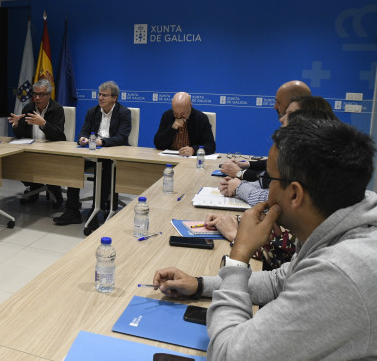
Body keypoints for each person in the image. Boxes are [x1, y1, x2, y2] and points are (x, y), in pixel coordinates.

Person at [154, 119, 377, 359]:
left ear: (294, 194)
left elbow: (227, 355)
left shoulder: (338, 271)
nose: (266, 191)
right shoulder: (341, 222)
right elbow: (279, 281)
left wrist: (239, 256)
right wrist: (200, 285)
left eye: (269, 180)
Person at [54, 81, 131, 226]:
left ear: (114, 98)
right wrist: (82, 138)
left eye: (105, 95)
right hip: (92, 151)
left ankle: (97, 210)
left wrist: (103, 142)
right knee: (74, 165)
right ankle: (72, 210)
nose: (101, 98)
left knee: (104, 168)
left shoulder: (124, 113)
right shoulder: (92, 111)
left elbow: (122, 137)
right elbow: (84, 131)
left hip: (112, 155)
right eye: (99, 95)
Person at [219, 80, 312, 181]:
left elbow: (274, 180)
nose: (275, 106)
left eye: (279, 102)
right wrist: (247, 165)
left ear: (294, 104)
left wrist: (240, 173)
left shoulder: (305, 136)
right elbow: (277, 164)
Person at [8, 79, 66, 208]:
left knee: (49, 166)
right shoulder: (28, 108)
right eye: (35, 94)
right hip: (31, 149)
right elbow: (21, 135)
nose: (37, 98)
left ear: (49, 95)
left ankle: (54, 190)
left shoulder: (57, 109)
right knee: (15, 163)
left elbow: (59, 135)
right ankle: (35, 187)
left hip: (52, 150)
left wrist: (43, 124)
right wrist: (16, 125)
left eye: (41, 95)